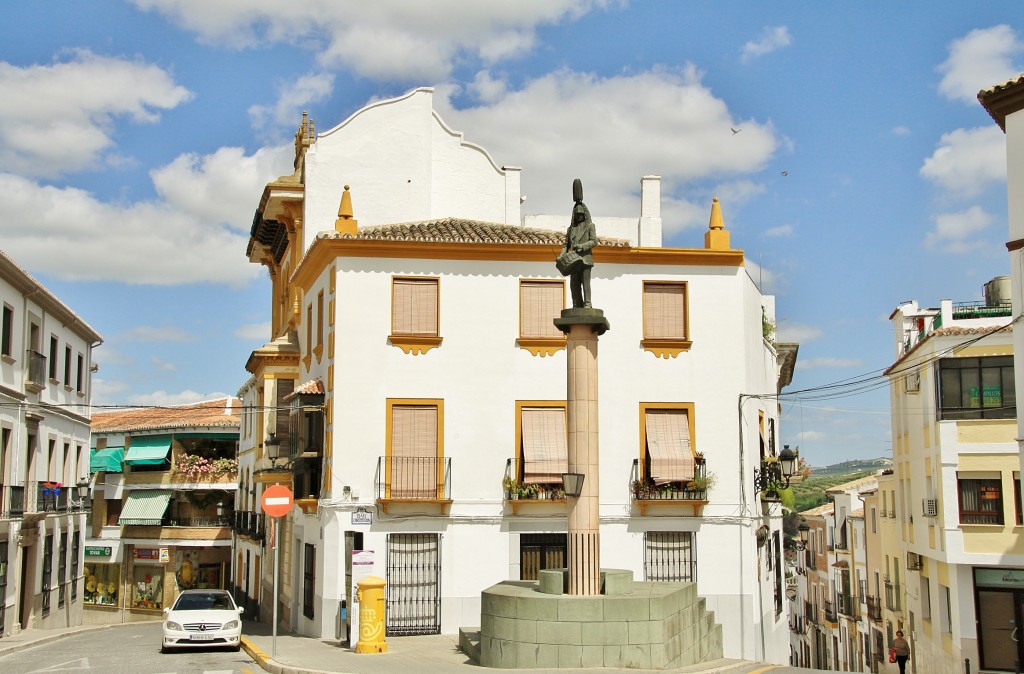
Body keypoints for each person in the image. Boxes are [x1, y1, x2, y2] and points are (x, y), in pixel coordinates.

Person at [564, 178, 597, 308]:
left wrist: (582, 246)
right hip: (573, 260)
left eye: (581, 214)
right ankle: (576, 304)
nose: (579, 217)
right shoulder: (571, 229)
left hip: (586, 259)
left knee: (585, 283)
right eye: (577, 215)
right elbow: (565, 245)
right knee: (574, 284)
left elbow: (594, 241)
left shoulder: (590, 226)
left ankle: (587, 303)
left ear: (584, 214)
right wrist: (561, 256)